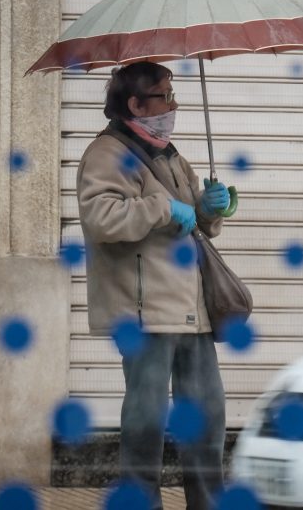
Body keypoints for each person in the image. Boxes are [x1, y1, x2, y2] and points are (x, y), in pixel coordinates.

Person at [76, 61, 234, 509]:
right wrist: (162, 209)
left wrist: (208, 208)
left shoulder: (169, 152)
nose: (173, 104)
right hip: (143, 310)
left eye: (172, 93)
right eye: (165, 95)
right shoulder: (106, 154)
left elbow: (193, 220)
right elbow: (101, 218)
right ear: (135, 103)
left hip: (190, 305)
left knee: (207, 418)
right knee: (146, 422)